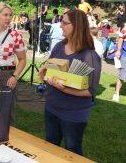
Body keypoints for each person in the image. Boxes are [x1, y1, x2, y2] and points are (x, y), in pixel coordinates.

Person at [38, 10, 101, 155]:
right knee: (51, 147)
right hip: (52, 107)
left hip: (74, 113)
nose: (60, 26)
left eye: (65, 23)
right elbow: (51, 67)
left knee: (72, 151)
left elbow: (90, 91)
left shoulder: (89, 55)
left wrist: (64, 89)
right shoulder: (59, 46)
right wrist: (45, 69)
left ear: (77, 26)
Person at [113, 26, 126, 102]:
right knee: (122, 75)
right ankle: (116, 93)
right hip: (125, 55)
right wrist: (118, 50)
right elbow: (121, 38)